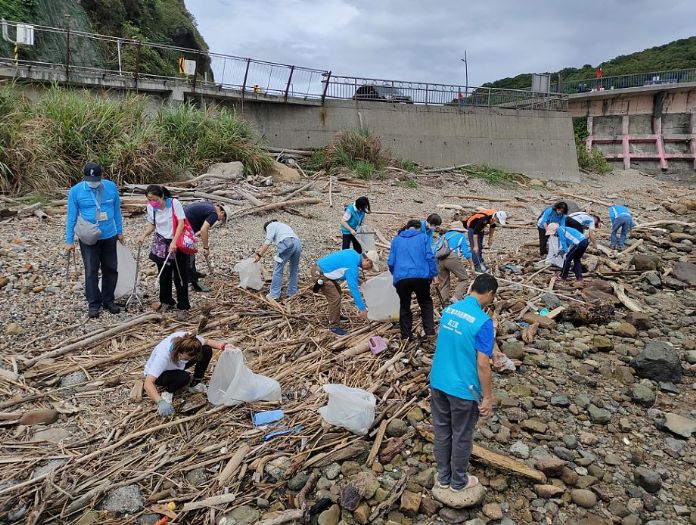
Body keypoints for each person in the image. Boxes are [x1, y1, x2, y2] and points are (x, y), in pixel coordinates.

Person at [430, 274, 498, 505]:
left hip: (439, 381)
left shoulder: (450, 311)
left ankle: (443, 477)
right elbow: (482, 364)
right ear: (489, 294)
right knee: (461, 435)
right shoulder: (483, 321)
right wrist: (487, 397)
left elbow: (455, 342)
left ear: (471, 288)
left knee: (442, 430)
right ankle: (458, 481)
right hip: (463, 388)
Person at [65, 162, 124, 319]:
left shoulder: (110, 187)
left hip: (109, 235)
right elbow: (71, 216)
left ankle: (108, 300)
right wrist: (69, 240)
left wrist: (120, 231)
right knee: (91, 271)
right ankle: (93, 304)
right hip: (88, 237)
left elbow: (117, 210)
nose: (93, 183)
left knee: (111, 269)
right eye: (90, 179)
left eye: (96, 179)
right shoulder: (76, 191)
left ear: (101, 177)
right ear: (84, 177)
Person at [143, 331, 227, 417]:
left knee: (206, 350)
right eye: (187, 358)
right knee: (184, 378)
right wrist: (160, 402)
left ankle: (195, 382)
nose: (192, 359)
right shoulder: (163, 357)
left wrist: (223, 346)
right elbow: (148, 383)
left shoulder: (190, 341)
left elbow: (208, 342)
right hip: (162, 374)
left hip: (178, 363)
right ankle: (168, 391)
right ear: (179, 353)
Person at [138, 185, 191, 321]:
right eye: (149, 199)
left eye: (154, 199)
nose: (152, 202)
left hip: (176, 242)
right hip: (161, 242)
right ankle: (166, 301)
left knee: (180, 275)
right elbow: (152, 224)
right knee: (163, 274)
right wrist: (143, 235)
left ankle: (183, 306)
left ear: (162, 196)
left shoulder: (174, 204)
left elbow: (181, 223)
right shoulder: (151, 207)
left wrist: (174, 241)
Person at [388, 219, 438, 341]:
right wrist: (433, 274)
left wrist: (396, 274)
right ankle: (430, 332)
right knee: (425, 302)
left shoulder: (396, 240)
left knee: (404, 305)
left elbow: (391, 262)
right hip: (421, 276)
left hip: (402, 277)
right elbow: (430, 257)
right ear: (418, 228)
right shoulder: (423, 237)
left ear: (407, 228)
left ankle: (406, 335)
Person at [312, 249, 379, 336]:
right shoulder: (352, 266)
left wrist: (358, 280)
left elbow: (342, 269)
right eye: (370, 266)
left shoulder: (354, 255)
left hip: (323, 270)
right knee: (335, 298)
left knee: (338, 292)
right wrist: (362, 309)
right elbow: (353, 289)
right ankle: (334, 326)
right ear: (367, 260)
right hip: (320, 273)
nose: (368, 269)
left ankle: (335, 315)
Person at [184, 201, 227, 292]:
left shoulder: (209, 206)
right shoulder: (214, 214)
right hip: (184, 226)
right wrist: (206, 248)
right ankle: (194, 282)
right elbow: (204, 230)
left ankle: (192, 273)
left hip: (183, 223)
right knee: (190, 255)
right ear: (222, 212)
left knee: (189, 254)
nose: (218, 220)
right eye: (221, 218)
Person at [254, 220, 302, 300]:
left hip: (287, 243)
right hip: (298, 243)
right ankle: (292, 292)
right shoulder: (283, 226)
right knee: (294, 269)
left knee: (278, 269)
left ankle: (274, 294)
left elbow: (267, 242)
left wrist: (259, 255)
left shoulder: (270, 226)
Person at [436, 221, 476, 303]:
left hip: (439, 259)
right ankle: (456, 297)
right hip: (452, 257)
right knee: (464, 278)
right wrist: (472, 265)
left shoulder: (443, 236)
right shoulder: (460, 236)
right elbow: (466, 252)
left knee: (444, 282)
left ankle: (442, 301)